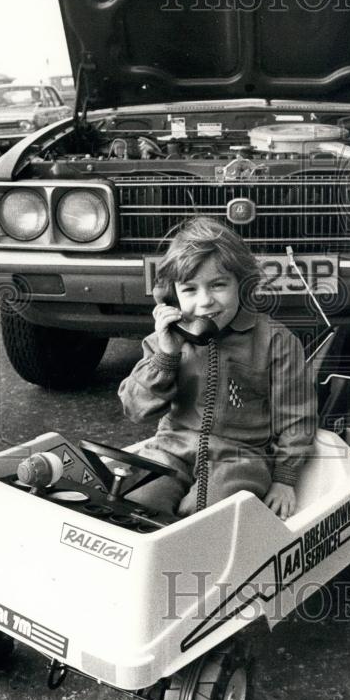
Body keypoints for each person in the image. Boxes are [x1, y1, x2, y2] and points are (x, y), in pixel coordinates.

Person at [118, 217, 317, 521]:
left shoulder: (276, 340)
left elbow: (297, 416)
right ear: (171, 297)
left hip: (241, 457)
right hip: (173, 448)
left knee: (204, 514)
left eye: (218, 285)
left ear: (242, 283)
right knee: (137, 501)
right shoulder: (165, 341)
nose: (205, 302)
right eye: (190, 290)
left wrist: (285, 478)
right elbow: (134, 409)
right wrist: (166, 355)